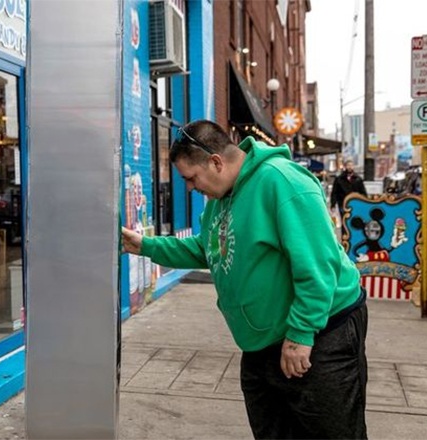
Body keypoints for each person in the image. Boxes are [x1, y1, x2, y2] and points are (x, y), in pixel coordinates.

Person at [122, 120, 368, 439]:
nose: (190, 188)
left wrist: (300, 334)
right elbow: (208, 248)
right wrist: (146, 246)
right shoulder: (222, 200)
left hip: (320, 334)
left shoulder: (282, 181)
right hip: (263, 343)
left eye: (191, 178)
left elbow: (318, 265)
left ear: (215, 161)